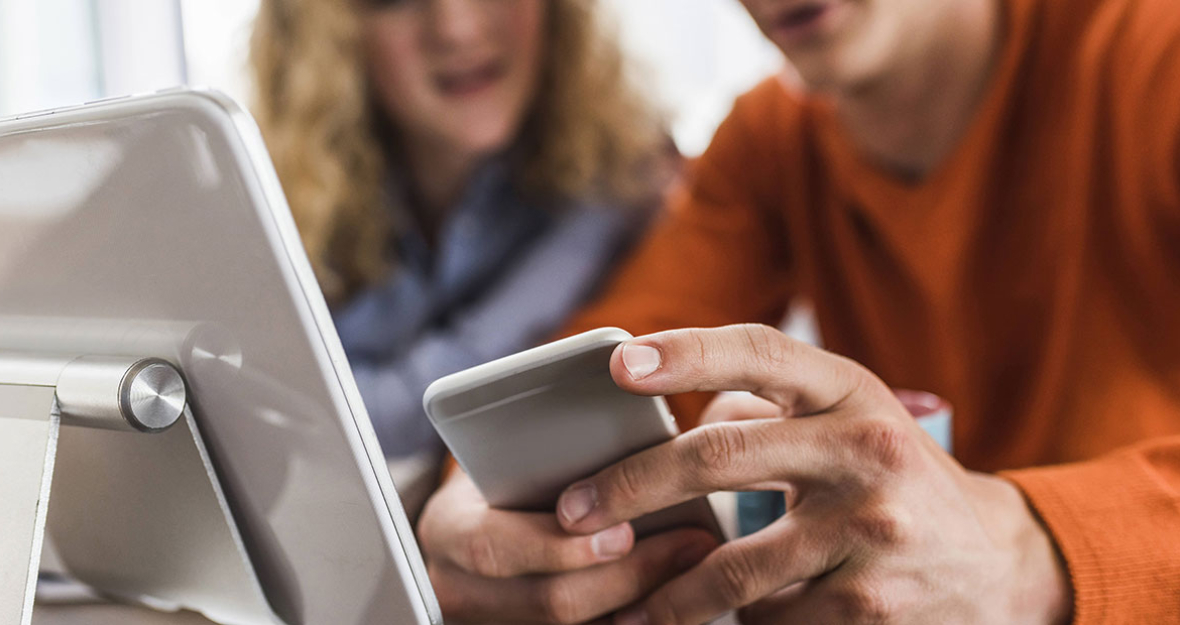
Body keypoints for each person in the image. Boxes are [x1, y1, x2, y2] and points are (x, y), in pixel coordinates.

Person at [416, 0, 1180, 622]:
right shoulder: (771, 139)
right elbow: (615, 352)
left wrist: (1027, 549)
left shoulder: (1152, 58)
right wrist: (484, 509)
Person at [248, 0, 672, 508]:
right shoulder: (284, 194)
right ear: (327, 37)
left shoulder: (616, 177)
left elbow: (445, 394)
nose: (458, 28)